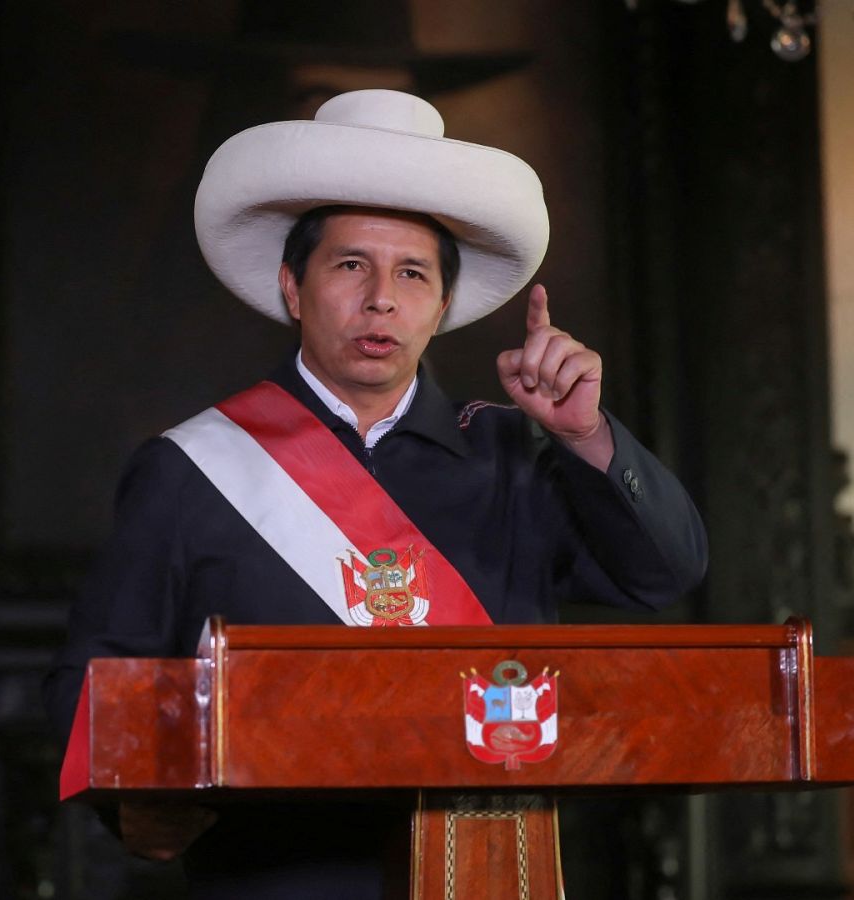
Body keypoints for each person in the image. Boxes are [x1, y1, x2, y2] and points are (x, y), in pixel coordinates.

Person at [46, 89, 707, 899]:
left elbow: (666, 573)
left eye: (412, 273)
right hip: (269, 882)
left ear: (441, 306)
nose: (380, 299)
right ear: (294, 287)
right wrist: (137, 808)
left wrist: (585, 435)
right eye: (351, 265)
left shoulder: (515, 459)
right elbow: (92, 678)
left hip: (484, 876)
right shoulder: (191, 469)